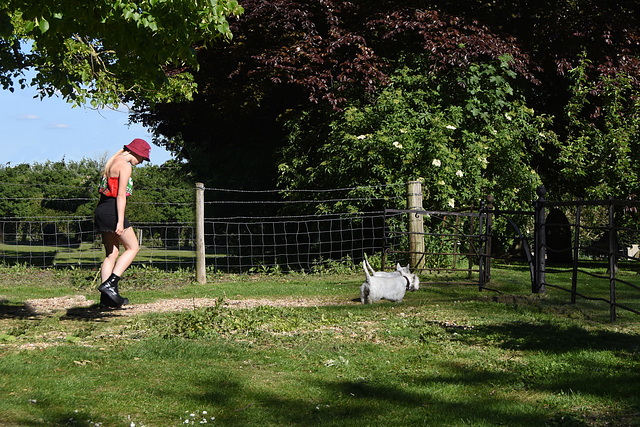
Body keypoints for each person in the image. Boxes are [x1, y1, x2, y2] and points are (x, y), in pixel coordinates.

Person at [94, 138, 151, 307]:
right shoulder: (125, 166)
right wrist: (120, 222)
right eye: (142, 159)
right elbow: (120, 196)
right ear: (135, 153)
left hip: (101, 210)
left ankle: (106, 299)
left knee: (111, 254)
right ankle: (111, 284)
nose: (140, 162)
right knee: (133, 247)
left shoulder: (112, 161)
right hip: (112, 211)